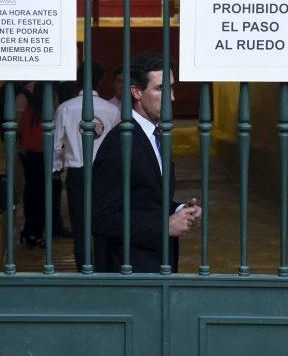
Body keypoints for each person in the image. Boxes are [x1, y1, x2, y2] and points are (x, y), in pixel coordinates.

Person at [92, 52, 202, 273]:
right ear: (136, 92)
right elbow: (101, 218)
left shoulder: (156, 135)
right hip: (131, 270)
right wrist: (164, 227)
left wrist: (180, 209)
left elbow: (144, 200)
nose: (171, 97)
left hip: (157, 264)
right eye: (160, 89)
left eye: (171, 88)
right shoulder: (120, 143)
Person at [53, 63, 120, 270]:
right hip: (105, 174)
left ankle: (83, 268)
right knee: (104, 222)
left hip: (77, 173)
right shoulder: (112, 110)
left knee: (80, 226)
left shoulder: (65, 107)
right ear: (100, 81)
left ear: (77, 81)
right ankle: (102, 266)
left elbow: (54, 145)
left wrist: (55, 169)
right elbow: (118, 146)